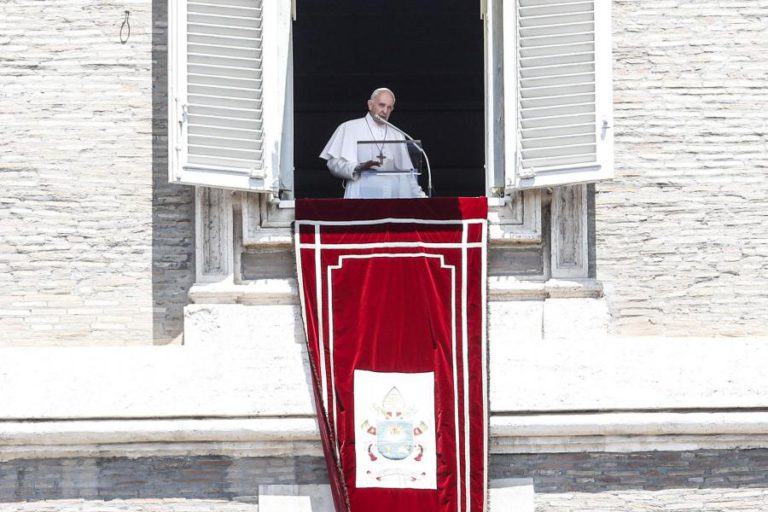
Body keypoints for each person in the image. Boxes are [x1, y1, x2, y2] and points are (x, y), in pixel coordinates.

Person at [320, 88, 426, 199]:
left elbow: (407, 173)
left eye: (389, 107)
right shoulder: (349, 127)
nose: (385, 111)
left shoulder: (397, 134)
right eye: (381, 105)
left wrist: (421, 197)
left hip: (393, 197)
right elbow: (332, 164)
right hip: (361, 196)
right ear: (370, 105)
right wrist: (358, 167)